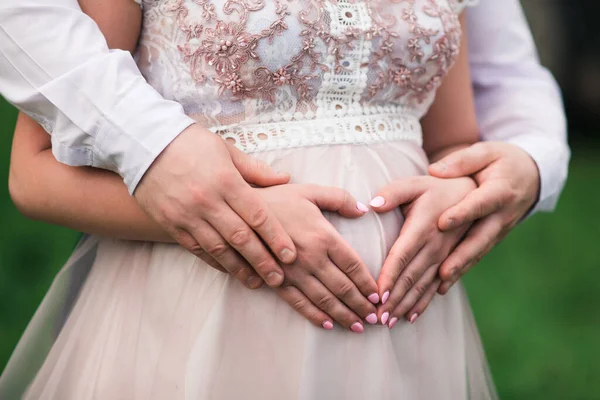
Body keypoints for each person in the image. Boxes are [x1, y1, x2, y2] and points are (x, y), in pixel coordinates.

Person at [0, 0, 568, 398]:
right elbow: (35, 172)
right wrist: (241, 223)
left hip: (404, 333)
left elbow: (454, 139)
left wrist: (458, 190)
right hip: (207, 314)